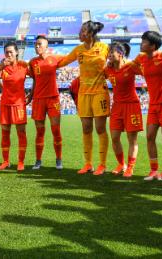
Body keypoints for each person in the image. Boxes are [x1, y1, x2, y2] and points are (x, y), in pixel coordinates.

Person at [59, 21, 110, 175]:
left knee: (100, 128)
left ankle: (102, 164)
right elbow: (63, 61)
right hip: (83, 94)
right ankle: (88, 164)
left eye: (83, 31)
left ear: (91, 34)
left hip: (100, 92)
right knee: (86, 128)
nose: (79, 34)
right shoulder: (78, 50)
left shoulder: (104, 48)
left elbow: (116, 60)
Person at [133, 31, 162, 181]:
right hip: (153, 103)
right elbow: (131, 66)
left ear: (153, 45)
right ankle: (153, 170)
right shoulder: (140, 58)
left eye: (144, 41)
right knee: (150, 136)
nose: (141, 43)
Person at [105, 42, 143, 177]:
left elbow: (145, 72)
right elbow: (99, 78)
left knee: (131, 139)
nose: (108, 55)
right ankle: (121, 164)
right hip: (117, 106)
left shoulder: (130, 66)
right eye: (108, 52)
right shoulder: (108, 69)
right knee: (114, 137)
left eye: (111, 53)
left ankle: (130, 167)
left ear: (120, 54)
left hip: (132, 105)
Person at [27, 35, 64, 170]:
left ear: (46, 46)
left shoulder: (55, 58)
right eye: (35, 45)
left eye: (40, 44)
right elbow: (35, 81)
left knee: (56, 130)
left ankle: (59, 160)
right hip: (38, 100)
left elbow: (70, 58)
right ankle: (38, 161)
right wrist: (30, 96)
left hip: (53, 98)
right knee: (39, 132)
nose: (37, 47)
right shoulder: (32, 62)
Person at [0, 41, 29, 171]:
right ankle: (6, 161)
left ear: (17, 52)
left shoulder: (24, 66)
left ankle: (20, 162)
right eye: (6, 52)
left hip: (19, 104)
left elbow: (37, 78)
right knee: (5, 133)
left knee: (21, 133)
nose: (8, 54)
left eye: (11, 52)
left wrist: (32, 94)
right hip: (5, 104)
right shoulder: (3, 67)